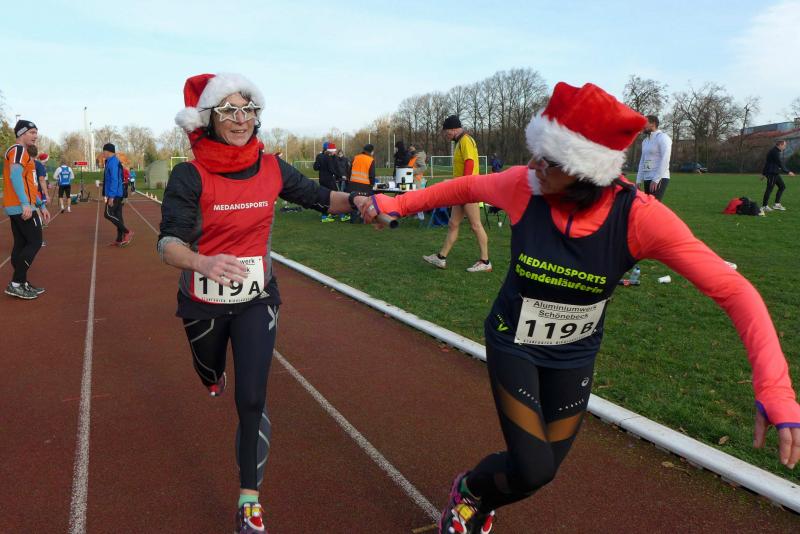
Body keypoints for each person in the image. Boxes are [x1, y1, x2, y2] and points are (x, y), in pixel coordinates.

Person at [362, 82, 800, 534]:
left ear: (586, 171)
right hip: (514, 341)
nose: (534, 165)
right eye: (537, 153)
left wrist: (775, 387)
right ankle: (471, 493)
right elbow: (465, 186)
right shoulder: (524, 186)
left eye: (549, 160)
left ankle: (482, 491)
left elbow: (734, 290)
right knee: (532, 467)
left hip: (574, 354)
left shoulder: (639, 217)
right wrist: (394, 202)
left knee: (542, 471)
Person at [161, 72, 358, 533]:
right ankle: (212, 374)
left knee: (251, 397)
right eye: (228, 110)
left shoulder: (272, 167)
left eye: (247, 109)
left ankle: (249, 500)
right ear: (209, 119)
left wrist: (361, 202)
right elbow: (167, 243)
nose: (240, 118)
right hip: (203, 299)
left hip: (257, 296)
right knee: (208, 371)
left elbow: (321, 198)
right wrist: (202, 262)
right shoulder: (189, 174)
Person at [422, 115, 491, 273]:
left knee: (476, 225)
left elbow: (470, 163)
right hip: (461, 190)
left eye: (447, 132)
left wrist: (462, 184)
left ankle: (485, 261)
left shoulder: (466, 140)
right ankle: (441, 258)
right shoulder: (460, 141)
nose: (446, 135)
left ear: (453, 129)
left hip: (468, 190)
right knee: (453, 224)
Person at [3, 120, 50, 299]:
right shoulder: (18, 150)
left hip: (19, 205)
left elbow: (27, 184)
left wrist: (41, 205)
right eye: (32, 132)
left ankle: (21, 282)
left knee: (21, 244)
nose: (35, 136)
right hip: (21, 206)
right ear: (21, 134)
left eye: (36, 132)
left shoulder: (22, 153)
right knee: (35, 242)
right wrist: (25, 204)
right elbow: (15, 177)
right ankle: (16, 283)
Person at [102, 143, 133, 246]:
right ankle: (119, 239)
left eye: (104, 151)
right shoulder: (112, 161)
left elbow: (115, 180)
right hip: (118, 193)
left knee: (107, 214)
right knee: (118, 216)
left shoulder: (113, 162)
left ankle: (127, 232)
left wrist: (111, 196)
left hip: (115, 194)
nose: (103, 154)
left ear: (108, 151)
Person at [635, 115, 672, 200]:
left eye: (645, 123)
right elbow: (642, 161)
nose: (642, 125)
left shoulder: (663, 138)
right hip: (647, 178)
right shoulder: (645, 141)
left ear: (653, 124)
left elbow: (665, 159)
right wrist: (638, 180)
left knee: (654, 205)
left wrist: (656, 179)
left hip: (660, 178)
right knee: (648, 204)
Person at [760, 139, 795, 214]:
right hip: (772, 173)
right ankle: (764, 206)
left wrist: (763, 174)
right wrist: (788, 172)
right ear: (780, 145)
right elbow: (779, 163)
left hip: (775, 173)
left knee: (782, 187)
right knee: (769, 189)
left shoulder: (775, 151)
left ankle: (777, 204)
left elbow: (768, 163)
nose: (785, 147)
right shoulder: (774, 152)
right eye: (784, 145)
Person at [346, 144, 376, 223]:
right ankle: (362, 219)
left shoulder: (356, 157)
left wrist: (349, 180)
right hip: (365, 185)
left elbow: (349, 170)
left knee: (354, 201)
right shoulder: (371, 160)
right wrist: (372, 184)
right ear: (371, 151)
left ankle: (353, 219)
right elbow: (372, 174)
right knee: (364, 203)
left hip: (353, 183)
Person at [314, 142, 339, 222]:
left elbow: (315, 168)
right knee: (335, 195)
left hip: (322, 179)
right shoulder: (329, 157)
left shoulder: (319, 156)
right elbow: (332, 169)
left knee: (324, 196)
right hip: (329, 179)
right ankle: (329, 214)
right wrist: (339, 175)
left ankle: (326, 214)